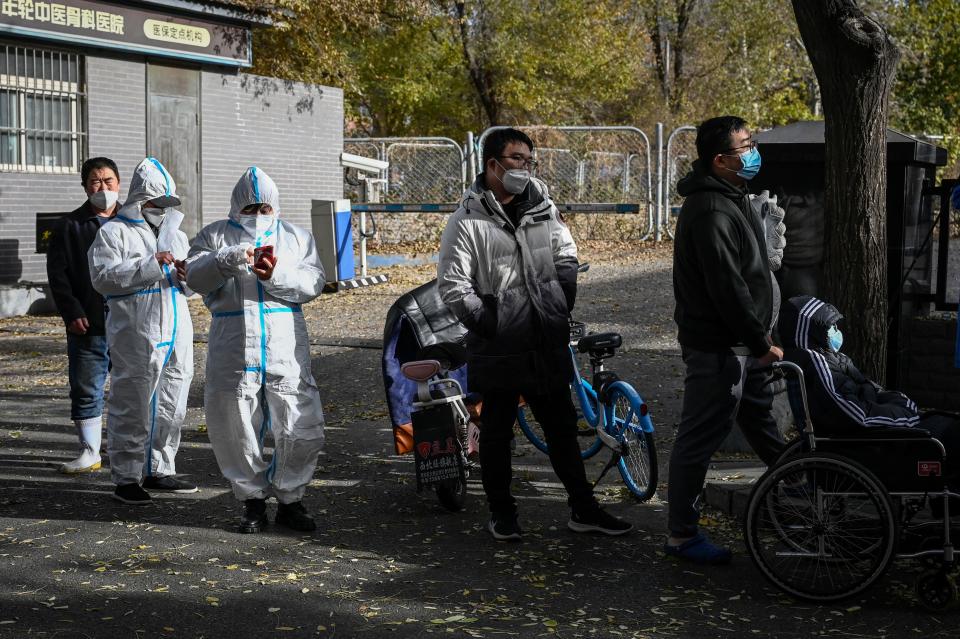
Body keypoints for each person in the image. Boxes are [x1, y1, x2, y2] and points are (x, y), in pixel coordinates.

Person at [437, 127, 632, 541]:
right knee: (496, 432)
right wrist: (492, 323)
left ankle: (584, 508)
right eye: (517, 159)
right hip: (499, 345)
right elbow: (453, 286)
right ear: (492, 164)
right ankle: (502, 514)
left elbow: (566, 253)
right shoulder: (466, 220)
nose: (525, 167)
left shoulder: (542, 207)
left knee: (561, 426)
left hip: (545, 337)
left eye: (529, 160)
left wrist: (560, 298)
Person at [667, 116, 784, 564]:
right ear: (720, 160)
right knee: (700, 437)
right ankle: (681, 535)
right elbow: (726, 286)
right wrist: (758, 342)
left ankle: (800, 496)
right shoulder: (712, 209)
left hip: (742, 346)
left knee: (765, 429)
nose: (754, 153)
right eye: (746, 147)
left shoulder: (730, 196)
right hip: (721, 348)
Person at [186, 167, 325, 533]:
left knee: (299, 421)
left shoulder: (295, 237)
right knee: (235, 422)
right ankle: (252, 501)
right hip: (233, 340)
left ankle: (291, 499)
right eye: (249, 208)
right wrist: (223, 261)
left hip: (285, 341)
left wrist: (274, 274)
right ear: (235, 207)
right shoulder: (214, 235)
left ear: (275, 206)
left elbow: (313, 282)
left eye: (264, 207)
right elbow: (193, 277)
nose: (257, 214)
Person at [88, 158, 196, 504]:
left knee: (172, 400)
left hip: (177, 329)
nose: (161, 209)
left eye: (166, 203)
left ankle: (160, 468)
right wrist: (151, 265)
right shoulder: (112, 233)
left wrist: (186, 276)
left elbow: (193, 286)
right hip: (136, 332)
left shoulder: (177, 236)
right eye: (154, 203)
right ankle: (127, 477)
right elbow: (104, 278)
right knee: (132, 402)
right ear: (139, 200)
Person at [778, 294, 960, 476]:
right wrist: (903, 415)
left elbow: (868, 388)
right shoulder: (816, 362)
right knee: (949, 437)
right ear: (813, 332)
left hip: (877, 427)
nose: (835, 330)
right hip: (869, 440)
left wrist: (899, 403)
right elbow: (855, 415)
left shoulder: (834, 359)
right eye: (830, 327)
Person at [46, 157, 121, 473]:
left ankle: (127, 448)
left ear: (119, 183)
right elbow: (58, 275)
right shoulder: (69, 226)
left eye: (108, 181)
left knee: (132, 387)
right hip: (88, 321)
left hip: (129, 323)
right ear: (84, 186)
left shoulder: (134, 221)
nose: (102, 188)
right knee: (87, 386)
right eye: (95, 181)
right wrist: (71, 312)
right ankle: (90, 450)